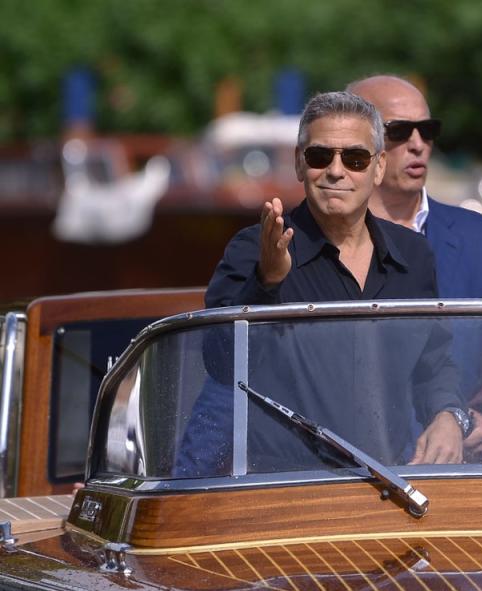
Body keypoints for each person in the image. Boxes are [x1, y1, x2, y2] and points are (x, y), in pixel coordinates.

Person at [189, 91, 466, 470]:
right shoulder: (254, 249)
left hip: (391, 482)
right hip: (285, 487)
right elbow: (221, 365)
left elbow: (434, 364)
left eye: (355, 158)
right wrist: (266, 282)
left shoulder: (413, 255)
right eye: (321, 156)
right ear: (300, 164)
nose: (337, 170)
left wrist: (449, 415)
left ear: (379, 167)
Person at [348, 75, 482, 461]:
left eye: (427, 130)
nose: (418, 144)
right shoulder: (310, 243)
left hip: (454, 476)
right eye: (398, 131)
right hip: (340, 475)